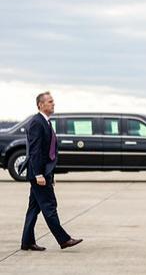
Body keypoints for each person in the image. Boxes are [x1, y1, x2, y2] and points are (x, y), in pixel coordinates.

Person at [20, 92, 83, 252]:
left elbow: (48, 152)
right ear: (40, 105)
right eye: (50, 101)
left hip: (43, 173)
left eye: (53, 101)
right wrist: (39, 174)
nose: (53, 104)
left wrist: (50, 175)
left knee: (34, 208)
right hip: (38, 174)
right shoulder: (37, 122)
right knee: (49, 206)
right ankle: (64, 239)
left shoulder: (45, 122)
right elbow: (35, 151)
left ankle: (27, 242)